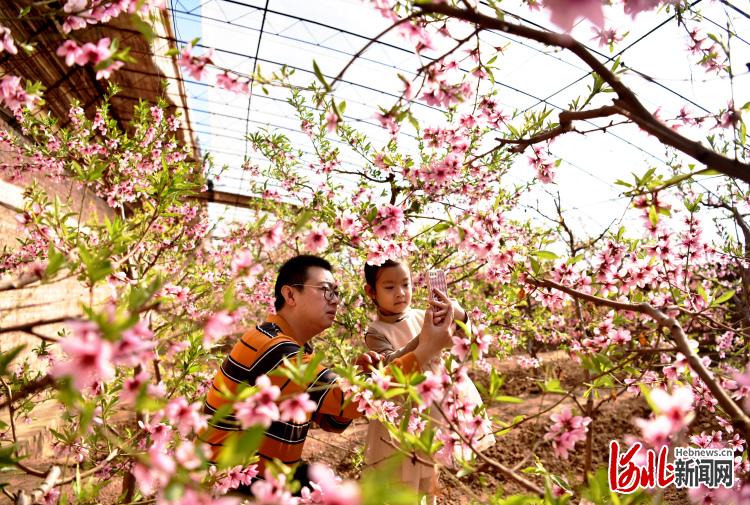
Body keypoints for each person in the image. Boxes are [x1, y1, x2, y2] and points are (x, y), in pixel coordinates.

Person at [198, 254, 454, 493]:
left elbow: (332, 419)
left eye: (336, 292)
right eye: (324, 290)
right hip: (233, 483)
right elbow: (347, 402)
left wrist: (357, 375)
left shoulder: (285, 344)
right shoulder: (275, 348)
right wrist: (425, 351)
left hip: (263, 477)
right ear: (290, 294)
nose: (334, 299)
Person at [362, 259, 495, 504]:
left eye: (406, 284)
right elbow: (390, 364)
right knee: (409, 470)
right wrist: (427, 340)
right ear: (371, 291)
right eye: (389, 287)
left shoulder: (423, 314)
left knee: (432, 465)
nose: (400, 293)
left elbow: (468, 336)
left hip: (438, 400)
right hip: (406, 409)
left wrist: (458, 312)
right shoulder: (375, 331)